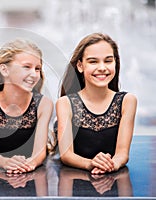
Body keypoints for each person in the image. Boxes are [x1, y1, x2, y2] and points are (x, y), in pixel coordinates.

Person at [56, 33, 137, 174]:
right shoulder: (65, 103)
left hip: (112, 176)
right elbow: (66, 155)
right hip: (77, 181)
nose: (102, 67)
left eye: (108, 61)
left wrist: (112, 164)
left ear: (115, 64)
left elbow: (122, 154)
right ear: (80, 66)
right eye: (93, 62)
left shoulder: (127, 101)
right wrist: (91, 163)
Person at [0, 39, 53, 174]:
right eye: (26, 67)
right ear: (4, 70)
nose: (34, 74)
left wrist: (29, 164)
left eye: (37, 68)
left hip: (30, 174)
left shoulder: (44, 104)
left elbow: (39, 153)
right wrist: (7, 162)